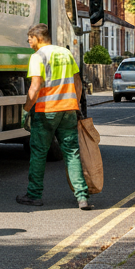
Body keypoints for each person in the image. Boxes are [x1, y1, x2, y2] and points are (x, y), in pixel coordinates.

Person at [16, 22, 91, 210]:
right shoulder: (66, 53)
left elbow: (35, 87)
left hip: (46, 111)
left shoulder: (38, 56)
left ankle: (34, 195)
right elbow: (78, 84)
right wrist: (74, 103)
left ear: (39, 38)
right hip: (68, 110)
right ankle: (82, 196)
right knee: (72, 153)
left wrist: (26, 109)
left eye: (30, 38)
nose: (28, 42)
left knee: (39, 153)